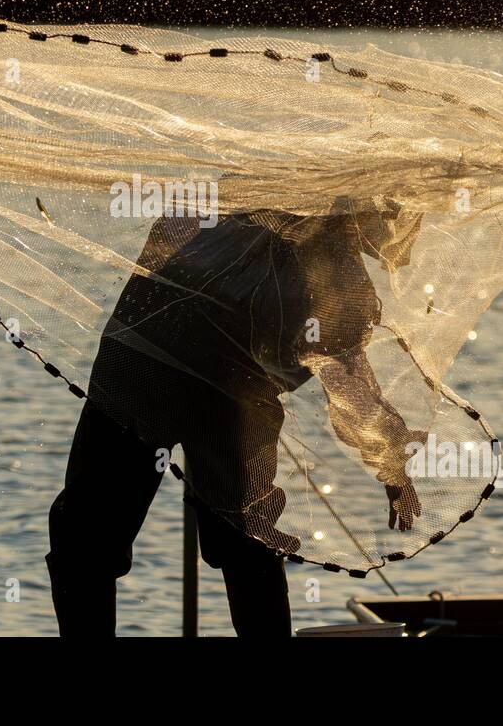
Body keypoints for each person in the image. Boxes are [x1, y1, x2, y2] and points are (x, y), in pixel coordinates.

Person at [46, 198, 425, 636]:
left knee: (87, 543)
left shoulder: (236, 213)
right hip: (213, 392)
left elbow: (166, 243)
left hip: (138, 364)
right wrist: (393, 469)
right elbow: (352, 392)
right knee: (247, 541)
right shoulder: (338, 279)